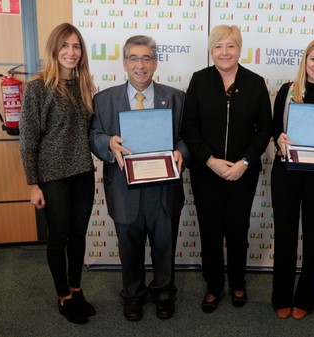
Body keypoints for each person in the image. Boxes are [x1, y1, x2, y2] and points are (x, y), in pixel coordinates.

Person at [89, 35, 188, 322]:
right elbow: (93, 136)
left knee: (164, 245)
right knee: (129, 249)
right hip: (124, 190)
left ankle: (164, 294)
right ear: (124, 63)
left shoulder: (176, 97)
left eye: (146, 58)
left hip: (164, 190)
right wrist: (108, 143)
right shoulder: (104, 99)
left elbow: (186, 138)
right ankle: (133, 296)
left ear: (155, 62)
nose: (140, 65)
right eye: (133, 58)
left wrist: (182, 152)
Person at [181, 24, 272, 313]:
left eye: (230, 46)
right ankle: (213, 286)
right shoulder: (199, 81)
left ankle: (237, 282)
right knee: (209, 231)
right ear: (211, 50)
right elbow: (189, 127)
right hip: (206, 171)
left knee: (237, 230)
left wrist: (244, 162)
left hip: (241, 173)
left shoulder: (255, 83)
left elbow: (264, 130)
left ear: (239, 49)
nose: (224, 52)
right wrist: (210, 160)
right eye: (219, 46)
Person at [19, 23, 96, 325]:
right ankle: (63, 295)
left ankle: (76, 290)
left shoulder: (86, 86)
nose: (71, 52)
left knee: (78, 235)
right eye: (65, 46)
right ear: (54, 49)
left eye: (76, 46)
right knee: (59, 237)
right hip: (53, 175)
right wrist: (33, 184)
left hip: (83, 172)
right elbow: (28, 139)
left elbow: (92, 132)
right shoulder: (38, 87)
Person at [270, 38, 314, 320]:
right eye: (313, 59)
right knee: (285, 235)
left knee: (313, 238)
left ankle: (306, 298)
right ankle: (281, 296)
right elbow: (275, 126)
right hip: (287, 172)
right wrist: (279, 138)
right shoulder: (288, 91)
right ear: (305, 61)